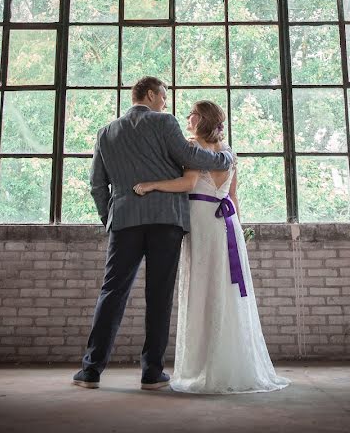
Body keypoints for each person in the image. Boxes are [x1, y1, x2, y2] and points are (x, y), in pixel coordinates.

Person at [73, 77, 234, 391]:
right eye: (163, 95)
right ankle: (152, 373)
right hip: (165, 221)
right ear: (149, 94)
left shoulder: (105, 132)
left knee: (112, 293)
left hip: (124, 221)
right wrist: (225, 158)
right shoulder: (164, 122)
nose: (165, 101)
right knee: (158, 297)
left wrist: (111, 216)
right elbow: (191, 159)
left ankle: (90, 370)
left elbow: (97, 185)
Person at [133, 100, 290, 394]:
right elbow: (233, 194)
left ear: (202, 119)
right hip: (228, 224)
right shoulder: (229, 153)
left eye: (191, 114)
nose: (187, 118)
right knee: (226, 290)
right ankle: (229, 362)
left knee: (202, 287)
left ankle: (204, 367)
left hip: (204, 223)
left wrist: (153, 185)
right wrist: (239, 231)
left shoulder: (195, 150)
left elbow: (188, 183)